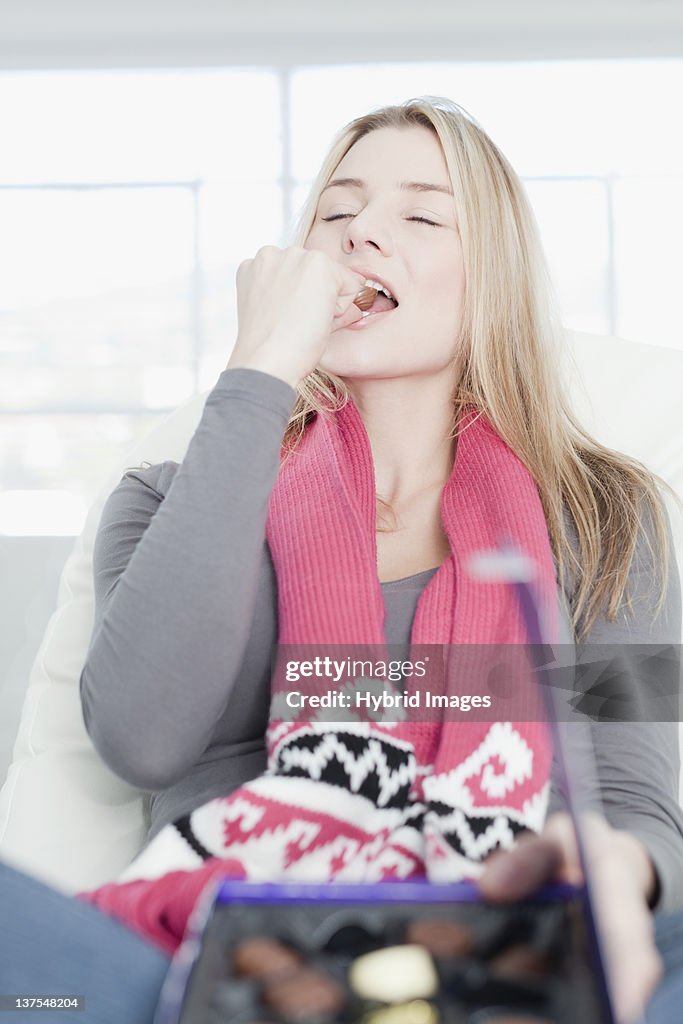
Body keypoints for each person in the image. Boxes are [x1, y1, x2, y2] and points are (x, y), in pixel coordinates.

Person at [1, 96, 682, 1024]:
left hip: (511, 943)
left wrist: (619, 871)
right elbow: (142, 739)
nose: (362, 231)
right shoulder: (166, 497)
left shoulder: (607, 514)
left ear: (493, 278)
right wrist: (259, 373)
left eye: (419, 214)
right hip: (221, 947)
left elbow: (642, 802)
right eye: (336, 212)